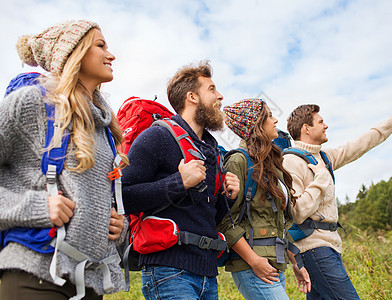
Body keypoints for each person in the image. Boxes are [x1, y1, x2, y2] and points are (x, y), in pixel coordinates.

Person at [0, 20, 129, 299]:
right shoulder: (32, 103)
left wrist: (119, 225)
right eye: (100, 46)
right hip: (35, 276)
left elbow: (93, 200)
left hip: (90, 282)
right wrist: (36, 206)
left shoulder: (106, 128)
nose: (111, 55)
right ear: (74, 52)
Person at [121, 61, 240, 300]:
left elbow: (207, 216)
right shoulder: (157, 136)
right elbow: (123, 196)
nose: (220, 96)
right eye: (212, 89)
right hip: (168, 271)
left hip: (207, 273)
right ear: (192, 97)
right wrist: (179, 182)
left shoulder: (212, 151)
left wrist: (229, 196)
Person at [283, 102, 392, 299]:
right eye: (321, 122)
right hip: (314, 249)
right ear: (306, 128)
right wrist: (321, 179)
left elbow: (361, 143)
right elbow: (296, 212)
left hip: (329, 246)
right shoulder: (291, 162)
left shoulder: (325, 157)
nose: (326, 125)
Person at [217, 98, 311, 300]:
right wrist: (254, 261)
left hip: (274, 262)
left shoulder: (272, 165)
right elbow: (226, 221)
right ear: (255, 124)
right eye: (269, 116)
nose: (275, 120)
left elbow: (280, 223)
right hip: (253, 266)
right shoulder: (238, 161)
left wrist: (295, 262)